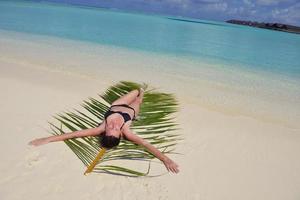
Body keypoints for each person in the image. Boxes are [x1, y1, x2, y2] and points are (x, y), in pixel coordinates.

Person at [28, 88, 179, 174]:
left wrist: (47, 139)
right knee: (138, 98)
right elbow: (146, 144)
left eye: (110, 129)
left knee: (135, 93)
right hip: (130, 111)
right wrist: (166, 159)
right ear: (120, 134)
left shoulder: (100, 128)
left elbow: (74, 134)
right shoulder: (126, 130)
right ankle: (142, 92)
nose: (112, 126)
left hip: (116, 105)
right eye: (114, 129)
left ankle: (141, 91)